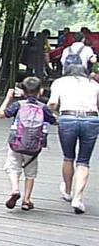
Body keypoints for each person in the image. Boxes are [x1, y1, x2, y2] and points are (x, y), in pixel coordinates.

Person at [0, 77, 56, 211]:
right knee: (30, 173)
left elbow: (1, 114)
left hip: (16, 143)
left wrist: (8, 98)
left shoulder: (18, 105)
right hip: (34, 147)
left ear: (23, 92)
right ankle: (26, 200)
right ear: (40, 91)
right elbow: (54, 120)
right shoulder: (43, 108)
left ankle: (15, 189)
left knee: (13, 167)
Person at [48, 64, 99, 214]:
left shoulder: (60, 82)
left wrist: (52, 115)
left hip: (68, 118)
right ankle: (78, 198)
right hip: (91, 119)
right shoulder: (94, 84)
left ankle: (68, 191)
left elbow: (53, 103)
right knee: (83, 161)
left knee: (68, 157)